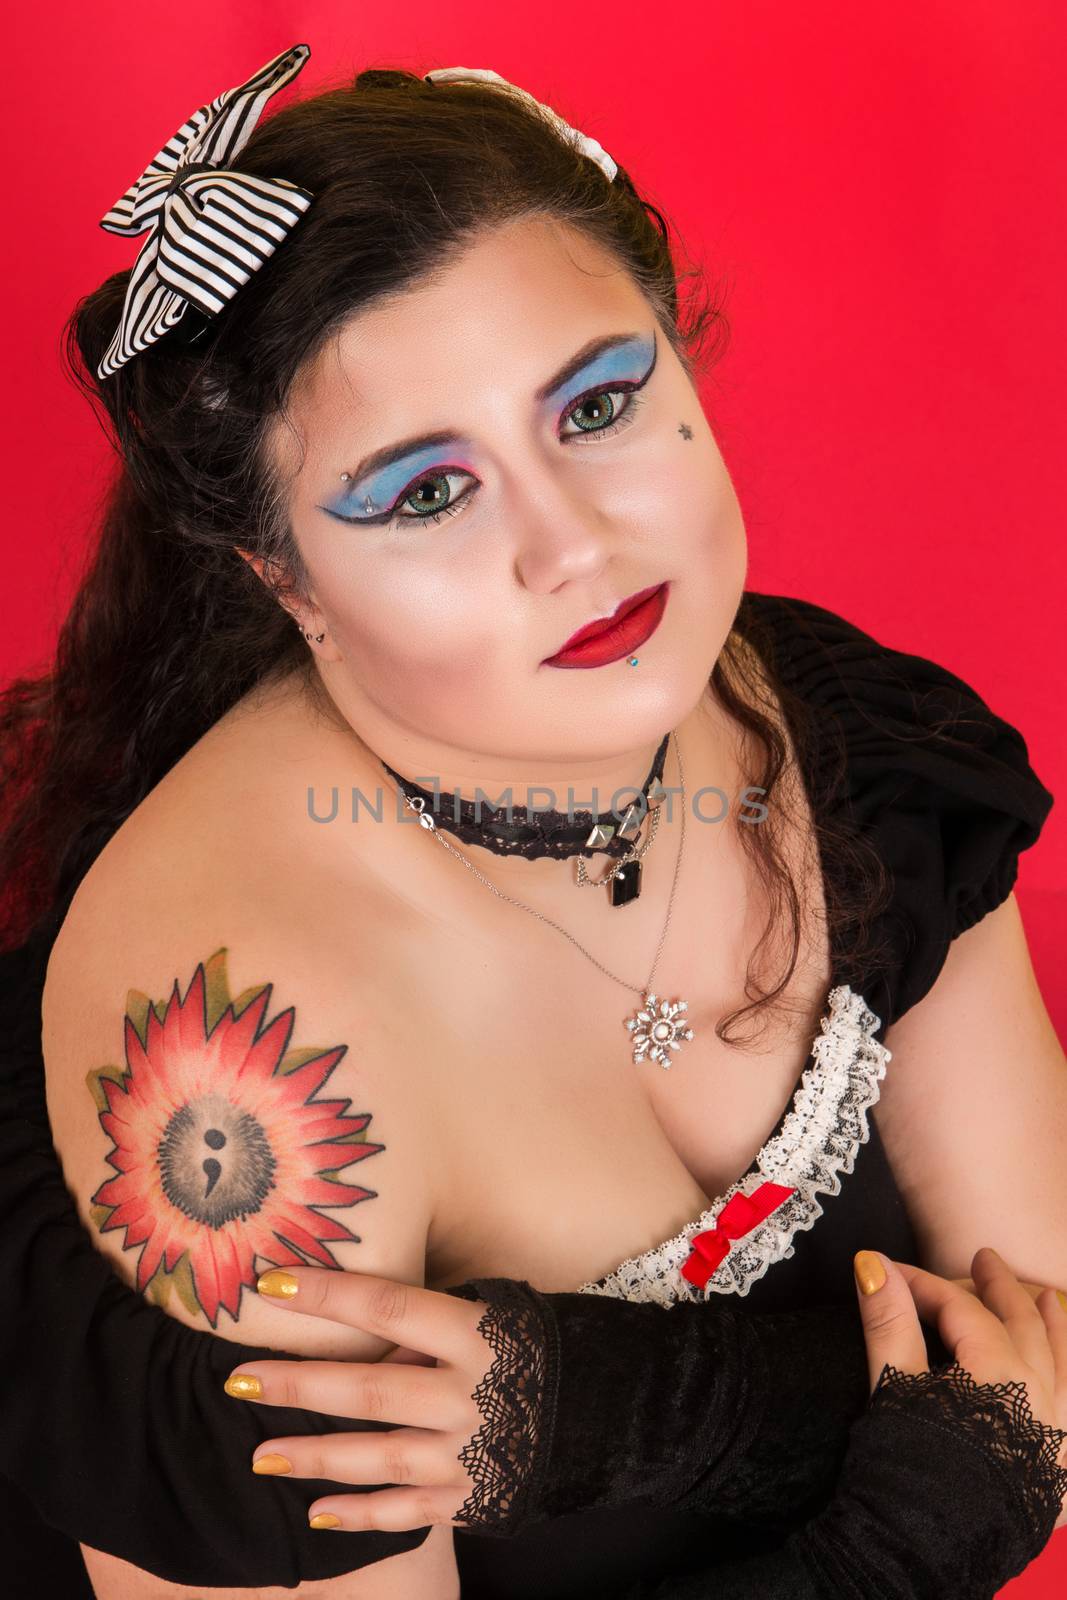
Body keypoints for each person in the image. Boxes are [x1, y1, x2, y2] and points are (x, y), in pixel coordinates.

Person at [1, 40, 1064, 1599]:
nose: (574, 548)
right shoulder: (235, 1060)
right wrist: (903, 1535)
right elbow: (1007, 1418)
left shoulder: (860, 745)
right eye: (427, 493)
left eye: (602, 404)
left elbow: (1049, 1349)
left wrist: (618, 1417)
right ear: (281, 578)